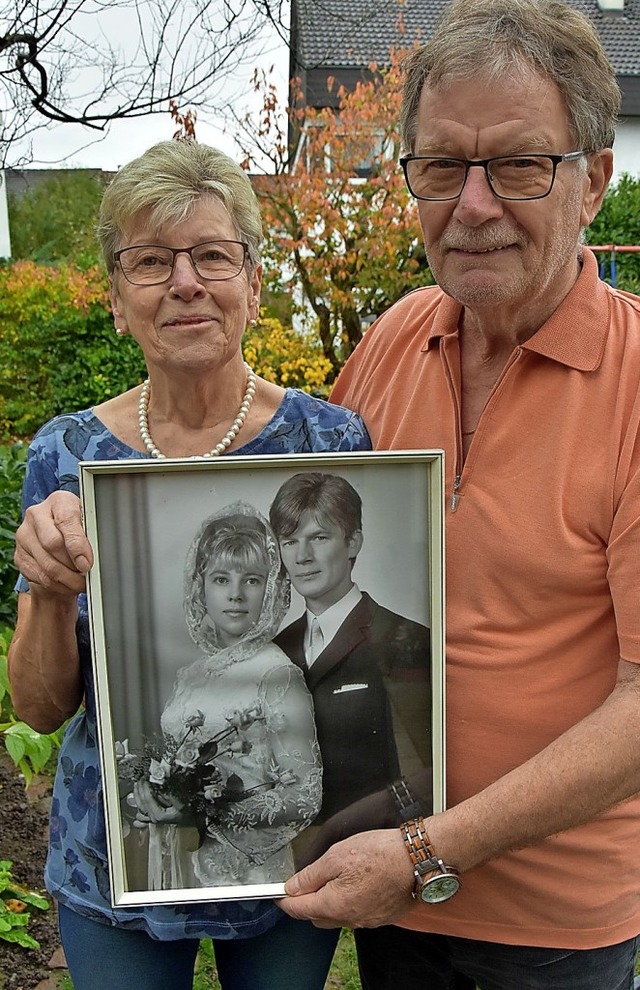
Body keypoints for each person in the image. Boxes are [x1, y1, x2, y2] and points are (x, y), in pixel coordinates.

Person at [275, 2, 640, 989]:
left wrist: (430, 847)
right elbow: (282, 520)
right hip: (386, 895)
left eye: (519, 166)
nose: (472, 205)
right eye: (439, 167)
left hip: (554, 929)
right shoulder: (394, 336)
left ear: (594, 181)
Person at [8, 139, 371, 990]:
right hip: (115, 864)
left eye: (212, 255)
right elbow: (38, 703)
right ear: (114, 299)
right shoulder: (67, 454)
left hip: (292, 860)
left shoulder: (331, 443)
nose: (185, 282)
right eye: (150, 261)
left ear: (251, 281)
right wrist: (53, 597)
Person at [128, 502, 322, 890]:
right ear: (201, 587)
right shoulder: (192, 674)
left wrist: (203, 814)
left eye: (251, 580)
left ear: (270, 591)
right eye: (221, 579)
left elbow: (305, 795)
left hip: (246, 868)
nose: (235, 594)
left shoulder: (277, 673)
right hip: (183, 853)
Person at [270, 472, 431, 830]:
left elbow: (430, 773)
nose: (303, 556)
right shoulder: (274, 651)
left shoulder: (405, 639)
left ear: (353, 542)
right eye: (290, 541)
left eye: (319, 538)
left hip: (377, 847)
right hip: (293, 852)